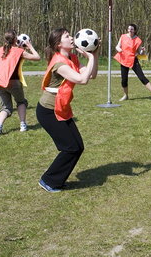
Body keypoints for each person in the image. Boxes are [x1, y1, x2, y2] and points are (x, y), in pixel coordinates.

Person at [36, 28, 99, 193]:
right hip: (48, 111)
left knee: (78, 146)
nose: (71, 38)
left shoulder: (72, 57)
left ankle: (56, 180)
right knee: (70, 147)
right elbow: (81, 80)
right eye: (67, 36)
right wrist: (91, 57)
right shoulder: (59, 63)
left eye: (71, 35)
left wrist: (94, 55)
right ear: (59, 44)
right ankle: (48, 180)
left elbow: (91, 75)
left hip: (61, 109)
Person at [0, 30, 41, 135]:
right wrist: (30, 46)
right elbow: (37, 57)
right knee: (21, 102)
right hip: (13, 82)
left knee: (5, 107)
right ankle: (23, 125)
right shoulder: (18, 52)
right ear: (15, 40)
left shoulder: (0, 50)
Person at [114, 24, 151, 101]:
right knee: (124, 80)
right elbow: (117, 46)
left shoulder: (138, 40)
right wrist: (119, 49)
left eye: (132, 29)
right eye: (129, 29)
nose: (130, 30)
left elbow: (139, 53)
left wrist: (142, 50)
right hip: (124, 60)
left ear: (135, 30)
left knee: (142, 77)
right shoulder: (123, 36)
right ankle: (125, 95)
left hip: (133, 59)